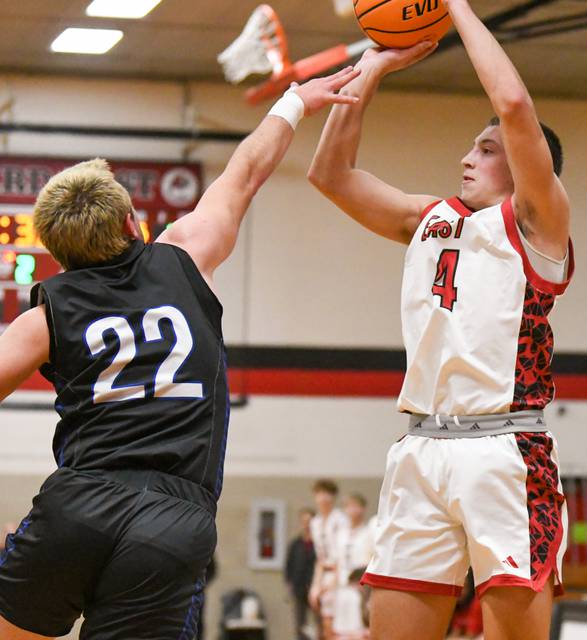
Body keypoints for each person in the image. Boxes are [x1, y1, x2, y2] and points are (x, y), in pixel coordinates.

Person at [0, 67, 361, 640]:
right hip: (172, 519)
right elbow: (244, 172)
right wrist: (294, 101)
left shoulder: (47, 312)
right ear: (131, 222)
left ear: (59, 254)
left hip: (79, 500)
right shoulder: (184, 256)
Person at [308, 0, 573, 637]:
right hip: (421, 448)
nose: (467, 157)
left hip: (505, 449)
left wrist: (454, 6)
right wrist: (371, 72)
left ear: (523, 163)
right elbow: (329, 174)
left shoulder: (538, 222)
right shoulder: (432, 218)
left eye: (485, 150)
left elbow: (513, 107)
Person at [309, 479, 348, 640]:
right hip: (324, 573)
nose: (323, 498)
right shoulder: (315, 522)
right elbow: (319, 558)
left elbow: (342, 554)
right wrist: (315, 585)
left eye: (327, 494)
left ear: (333, 497)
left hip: (340, 574)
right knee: (323, 623)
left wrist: (335, 582)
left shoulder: (340, 519)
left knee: (336, 624)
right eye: (320, 494)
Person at [332, 494, 375, 639]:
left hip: (360, 587)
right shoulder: (340, 534)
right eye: (349, 506)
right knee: (340, 630)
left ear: (363, 509)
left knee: (359, 629)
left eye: (356, 506)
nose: (353, 510)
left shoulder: (369, 532)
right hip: (342, 586)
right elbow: (336, 561)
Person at [285, 508, 318, 640]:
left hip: (315, 588)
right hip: (299, 588)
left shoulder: (318, 543)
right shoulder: (295, 544)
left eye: (310, 521)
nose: (307, 524)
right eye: (304, 521)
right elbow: (289, 566)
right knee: (300, 623)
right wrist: (290, 584)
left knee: (318, 622)